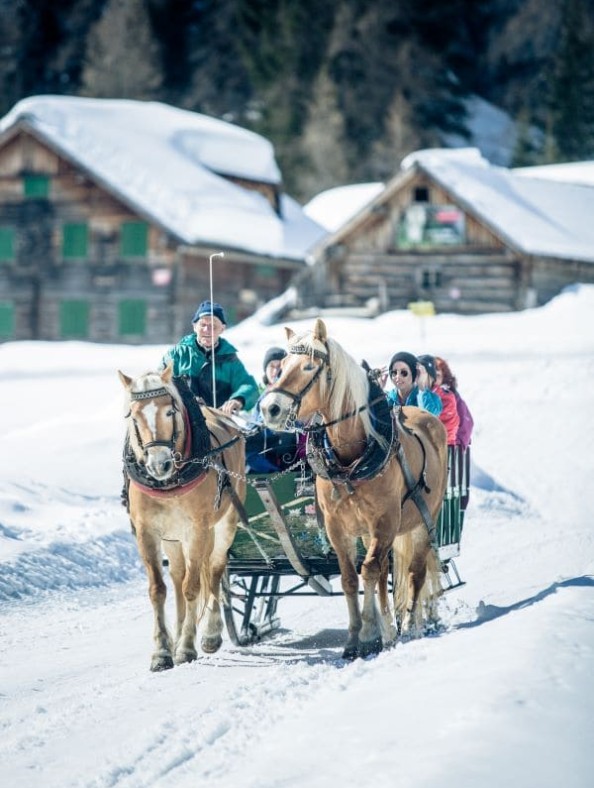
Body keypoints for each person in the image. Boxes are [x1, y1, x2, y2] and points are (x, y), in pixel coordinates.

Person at [161, 301, 259, 416]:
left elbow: (249, 386)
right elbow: (161, 382)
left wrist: (238, 400)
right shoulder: (177, 354)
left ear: (222, 329)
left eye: (213, 326)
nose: (207, 330)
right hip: (183, 421)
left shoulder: (230, 358)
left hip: (219, 424)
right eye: (203, 325)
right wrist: (187, 400)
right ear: (194, 327)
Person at [245, 346, 304, 473]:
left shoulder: (298, 395)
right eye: (272, 366)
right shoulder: (261, 400)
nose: (276, 370)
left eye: (280, 366)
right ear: (265, 370)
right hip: (267, 464)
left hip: (295, 461)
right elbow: (251, 431)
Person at [435, 355, 474, 516]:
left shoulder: (451, 396)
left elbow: (465, 422)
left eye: (438, 370)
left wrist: (456, 443)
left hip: (451, 448)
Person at [418, 354, 460, 445]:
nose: (419, 378)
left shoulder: (446, 397)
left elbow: (429, 418)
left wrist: (423, 391)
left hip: (445, 448)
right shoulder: (416, 394)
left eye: (422, 374)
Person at [385, 351, 442, 415]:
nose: (397, 377)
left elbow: (429, 418)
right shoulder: (388, 398)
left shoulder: (433, 399)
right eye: (394, 372)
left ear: (414, 374)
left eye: (404, 373)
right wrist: (377, 391)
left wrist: (422, 388)